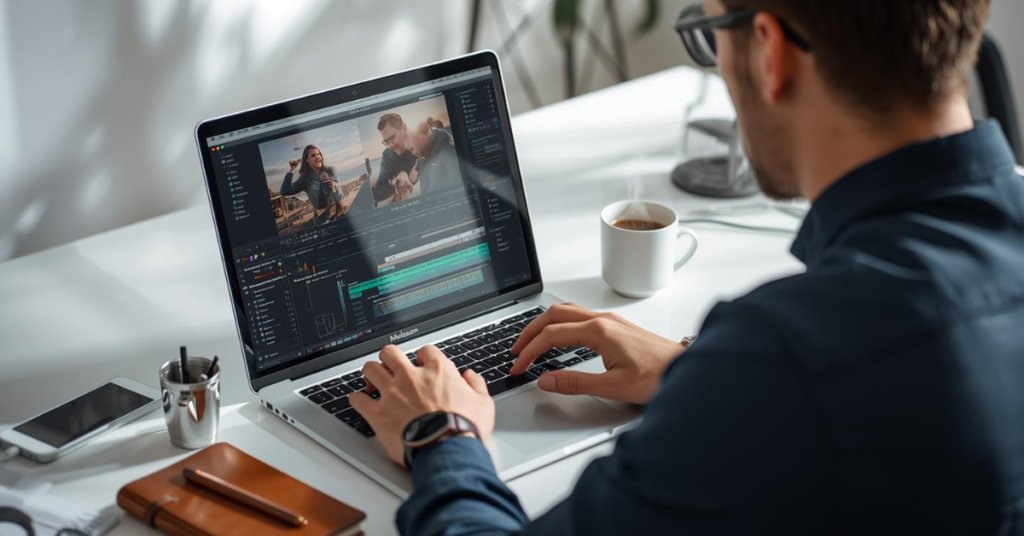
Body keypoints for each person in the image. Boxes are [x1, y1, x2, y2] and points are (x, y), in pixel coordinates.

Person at [349, 0, 1024, 534]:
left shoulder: (789, 357)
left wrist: (440, 433)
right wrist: (692, 369)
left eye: (712, 36)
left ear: (770, 49)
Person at [279, 144, 344, 224]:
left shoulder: (331, 170)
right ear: (307, 160)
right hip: (322, 220)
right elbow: (285, 191)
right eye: (313, 155)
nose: (317, 157)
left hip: (340, 214)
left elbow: (339, 192)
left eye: (318, 154)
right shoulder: (305, 179)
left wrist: (333, 185)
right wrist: (291, 170)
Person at [373, 113, 418, 204]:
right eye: (386, 142)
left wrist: (405, 175)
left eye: (392, 138)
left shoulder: (421, 140)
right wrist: (397, 186)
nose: (391, 145)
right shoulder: (388, 155)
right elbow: (377, 191)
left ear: (403, 128)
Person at [408, 122, 462, 195]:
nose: (412, 152)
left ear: (423, 139)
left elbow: (456, 191)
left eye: (412, 148)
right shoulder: (421, 158)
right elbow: (412, 178)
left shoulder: (450, 152)